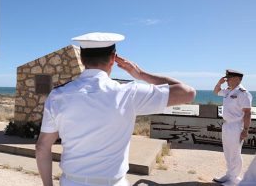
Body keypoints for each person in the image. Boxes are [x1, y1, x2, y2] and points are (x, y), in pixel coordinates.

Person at [35, 32, 196, 186]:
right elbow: (188, 93)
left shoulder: (58, 96)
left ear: (82, 59)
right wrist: (140, 74)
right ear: (113, 58)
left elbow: (42, 146)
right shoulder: (128, 93)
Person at [213, 69, 253, 186]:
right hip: (227, 125)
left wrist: (245, 130)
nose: (227, 81)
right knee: (228, 152)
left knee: (235, 153)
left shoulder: (243, 93)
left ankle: (234, 179)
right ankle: (229, 175)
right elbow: (216, 92)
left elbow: (247, 113)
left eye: (229, 78)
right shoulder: (228, 91)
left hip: (236, 126)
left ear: (237, 79)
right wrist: (219, 83)